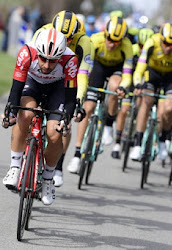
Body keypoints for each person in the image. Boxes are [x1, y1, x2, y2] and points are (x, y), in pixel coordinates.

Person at [2, 28, 79, 205]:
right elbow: (16, 89)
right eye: (43, 58)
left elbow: (70, 97)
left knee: (54, 133)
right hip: (32, 84)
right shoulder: (26, 52)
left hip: (58, 89)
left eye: (52, 61)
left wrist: (66, 119)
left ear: (60, 56)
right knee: (25, 114)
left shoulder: (70, 60)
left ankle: (47, 179)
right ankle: (15, 167)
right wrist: (11, 113)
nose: (46, 65)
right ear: (38, 52)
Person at [33, 10, 94, 187]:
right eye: (61, 36)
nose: (65, 42)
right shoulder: (42, 32)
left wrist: (78, 101)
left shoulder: (84, 42)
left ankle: (57, 166)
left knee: (64, 124)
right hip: (42, 76)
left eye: (69, 39)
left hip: (68, 80)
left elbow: (82, 75)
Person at [67, 16, 132, 173]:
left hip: (116, 69)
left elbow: (128, 73)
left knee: (115, 86)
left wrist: (123, 87)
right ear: (105, 34)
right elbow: (84, 66)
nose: (111, 44)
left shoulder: (127, 46)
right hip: (97, 67)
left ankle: (109, 125)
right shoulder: (95, 40)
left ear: (122, 40)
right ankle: (76, 155)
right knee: (88, 108)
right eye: (110, 39)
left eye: (116, 41)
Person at [129, 22, 172, 161]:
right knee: (146, 100)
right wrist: (137, 83)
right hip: (152, 74)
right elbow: (140, 67)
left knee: (169, 108)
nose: (168, 47)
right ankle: (137, 143)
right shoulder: (151, 42)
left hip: (170, 77)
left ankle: (163, 140)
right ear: (160, 38)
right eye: (166, 43)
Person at [111, 28, 154, 159]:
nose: (142, 48)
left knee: (142, 106)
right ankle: (117, 143)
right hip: (130, 81)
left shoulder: (151, 53)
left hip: (143, 82)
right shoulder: (133, 50)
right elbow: (126, 70)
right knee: (124, 111)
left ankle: (137, 133)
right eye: (141, 45)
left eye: (145, 46)